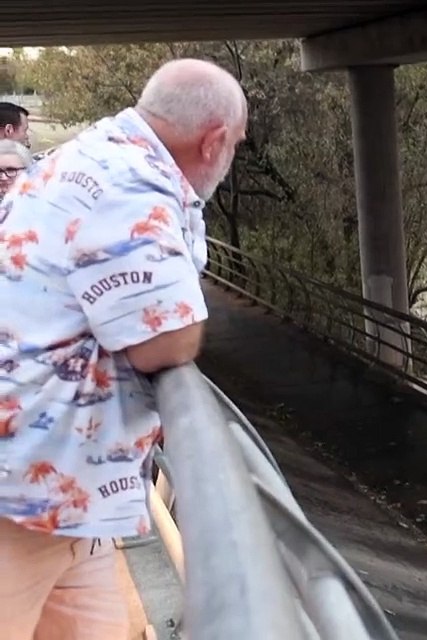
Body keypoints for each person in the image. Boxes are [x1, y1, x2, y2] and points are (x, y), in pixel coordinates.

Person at [0, 58, 246, 639]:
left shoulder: (99, 153)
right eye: (235, 144)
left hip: (66, 503)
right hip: (22, 494)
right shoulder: (129, 185)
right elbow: (166, 340)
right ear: (214, 142)